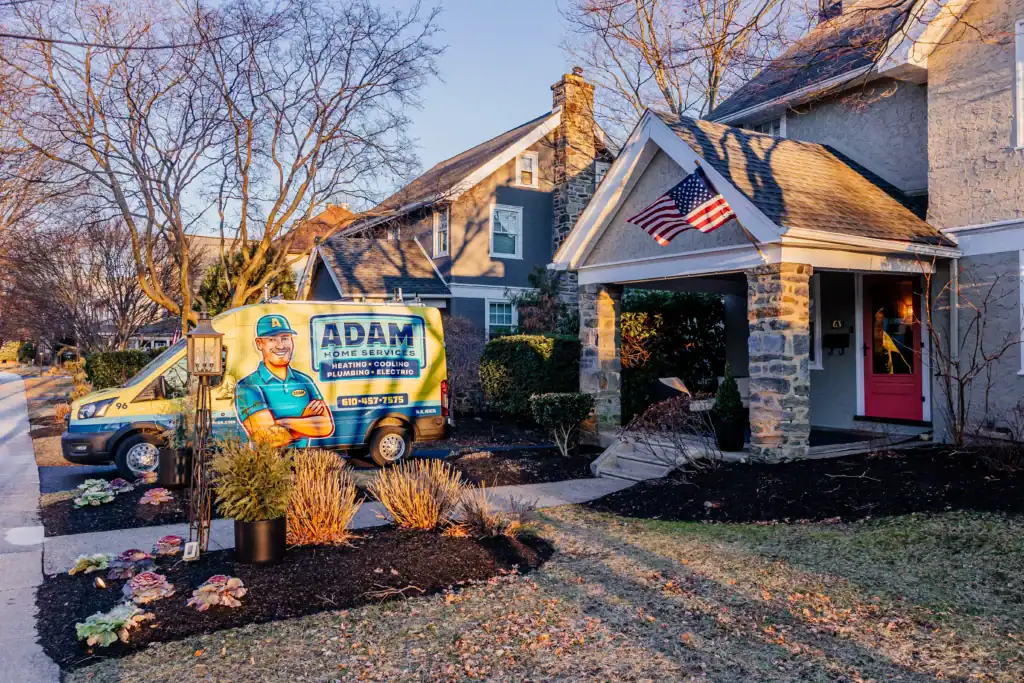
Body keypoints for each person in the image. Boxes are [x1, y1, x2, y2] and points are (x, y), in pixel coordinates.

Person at [235, 314, 334, 447]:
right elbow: (267, 438)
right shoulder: (248, 386)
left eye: (285, 338)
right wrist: (304, 420)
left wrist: (283, 422)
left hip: (303, 460)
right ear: (259, 344)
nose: (280, 346)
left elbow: (326, 426)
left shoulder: (304, 380)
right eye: (272, 339)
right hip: (270, 465)